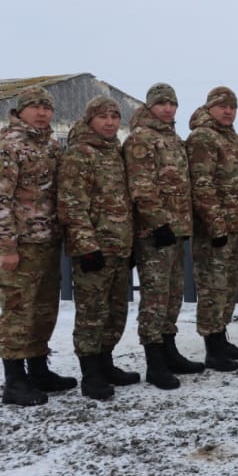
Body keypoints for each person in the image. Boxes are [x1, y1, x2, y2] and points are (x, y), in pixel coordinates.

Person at [0, 86, 71, 405]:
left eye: (46, 107)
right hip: (21, 244)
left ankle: (38, 369)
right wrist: (6, 245)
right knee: (18, 310)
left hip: (47, 241)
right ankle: (14, 381)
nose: (42, 112)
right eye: (34, 106)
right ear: (20, 111)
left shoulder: (49, 144)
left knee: (44, 310)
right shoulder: (8, 145)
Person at [57, 95, 138, 400]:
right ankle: (91, 374)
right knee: (92, 313)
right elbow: (72, 205)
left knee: (115, 312)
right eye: (103, 117)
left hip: (119, 247)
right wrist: (86, 246)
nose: (110, 122)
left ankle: (106, 363)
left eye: (115, 117)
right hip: (93, 250)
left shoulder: (115, 151)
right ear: (90, 119)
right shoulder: (80, 154)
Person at [125, 83, 203, 389]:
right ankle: (155, 363)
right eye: (161, 103)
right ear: (150, 106)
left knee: (172, 296)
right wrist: (158, 224)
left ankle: (170, 352)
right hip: (155, 233)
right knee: (155, 299)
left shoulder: (171, 138)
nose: (168, 108)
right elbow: (141, 186)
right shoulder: (141, 139)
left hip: (177, 230)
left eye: (172, 103)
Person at [187, 86, 238, 372]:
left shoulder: (230, 137)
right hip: (215, 230)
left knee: (227, 285)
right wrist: (216, 225)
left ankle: (221, 337)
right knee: (213, 287)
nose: (228, 111)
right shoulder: (203, 137)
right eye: (222, 106)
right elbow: (203, 184)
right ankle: (212, 348)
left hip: (233, 226)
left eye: (233, 107)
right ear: (210, 107)